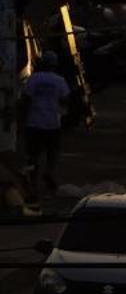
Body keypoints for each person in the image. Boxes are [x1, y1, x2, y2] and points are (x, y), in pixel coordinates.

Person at [20, 55, 70, 195]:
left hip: (34, 122)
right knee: (52, 152)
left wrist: (21, 120)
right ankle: (49, 171)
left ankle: (33, 181)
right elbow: (65, 100)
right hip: (52, 123)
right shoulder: (59, 80)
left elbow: (26, 99)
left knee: (33, 154)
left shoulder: (34, 78)